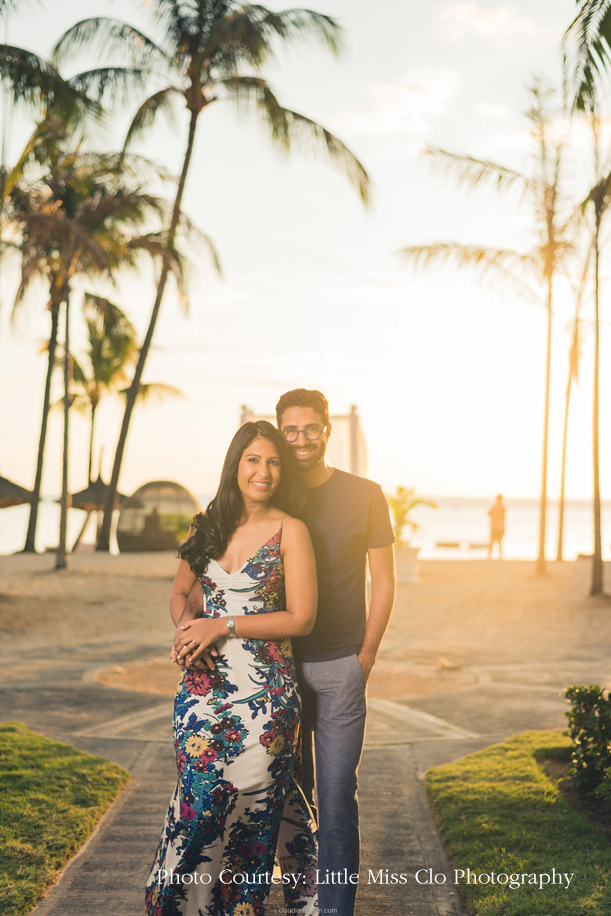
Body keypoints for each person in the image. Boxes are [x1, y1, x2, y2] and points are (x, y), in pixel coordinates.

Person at [145, 420, 319, 916]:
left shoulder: (292, 530)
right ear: (235, 464)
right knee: (198, 804)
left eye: (273, 462)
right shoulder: (206, 525)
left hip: (266, 695)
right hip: (202, 691)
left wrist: (220, 625)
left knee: (251, 810)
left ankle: (241, 908)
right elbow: (181, 594)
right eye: (253, 460)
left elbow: (302, 618)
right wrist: (187, 631)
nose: (263, 471)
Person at [275, 388, 396, 916]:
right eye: (290, 431)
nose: (301, 440)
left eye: (310, 428)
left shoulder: (365, 494)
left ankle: (335, 910)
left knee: (337, 804)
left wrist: (365, 657)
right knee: (281, 802)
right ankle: (295, 903)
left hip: (341, 667)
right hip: (277, 670)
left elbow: (384, 582)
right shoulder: (271, 492)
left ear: (328, 429)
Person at [488, 493, 506, 558]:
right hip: (495, 527)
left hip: (498, 527)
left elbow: (502, 517)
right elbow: (488, 514)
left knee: (498, 541)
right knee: (493, 541)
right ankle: (490, 555)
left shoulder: (502, 508)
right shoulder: (495, 507)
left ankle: (499, 555)